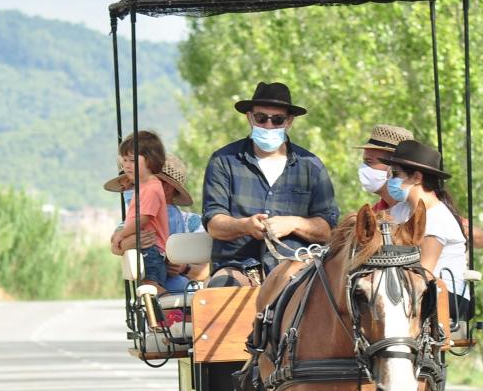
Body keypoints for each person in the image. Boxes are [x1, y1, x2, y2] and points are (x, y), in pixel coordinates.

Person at [202, 81, 338, 286]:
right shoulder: (223, 160)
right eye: (261, 118)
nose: (268, 125)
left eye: (277, 120)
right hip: (238, 267)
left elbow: (328, 228)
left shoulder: (312, 166)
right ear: (249, 117)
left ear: (289, 121)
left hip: (298, 266)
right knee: (220, 290)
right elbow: (213, 222)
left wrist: (294, 223)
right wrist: (245, 225)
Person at [383, 139, 475, 325]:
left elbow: (424, 271)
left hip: (445, 295)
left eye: (395, 174)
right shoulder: (400, 210)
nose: (390, 180)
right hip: (415, 287)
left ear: (417, 177)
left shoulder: (437, 217)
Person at [107, 154, 208, 289]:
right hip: (153, 296)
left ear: (166, 188)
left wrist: (184, 268)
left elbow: (208, 270)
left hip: (191, 298)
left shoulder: (193, 223)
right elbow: (115, 244)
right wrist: (127, 243)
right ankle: (162, 307)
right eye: (128, 187)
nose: (130, 191)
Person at [110, 130, 169, 289]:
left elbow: (142, 219)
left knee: (150, 287)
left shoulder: (151, 188)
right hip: (145, 248)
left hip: (150, 249)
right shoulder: (143, 188)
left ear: (150, 161)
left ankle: (173, 311)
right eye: (124, 160)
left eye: (132, 160)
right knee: (146, 289)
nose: (127, 165)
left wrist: (120, 236)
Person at [354, 124, 415, 212]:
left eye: (369, 161)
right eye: (364, 161)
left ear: (394, 165)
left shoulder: (418, 209)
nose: (363, 168)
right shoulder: (375, 212)